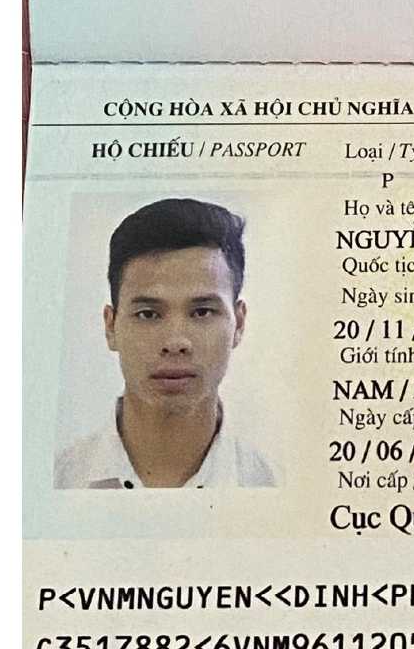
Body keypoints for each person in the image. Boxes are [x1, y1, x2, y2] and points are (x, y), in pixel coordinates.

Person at [55, 198, 277, 489]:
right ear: (111, 326)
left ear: (239, 323)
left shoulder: (273, 486)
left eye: (202, 312)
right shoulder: (54, 482)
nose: (175, 342)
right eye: (148, 314)